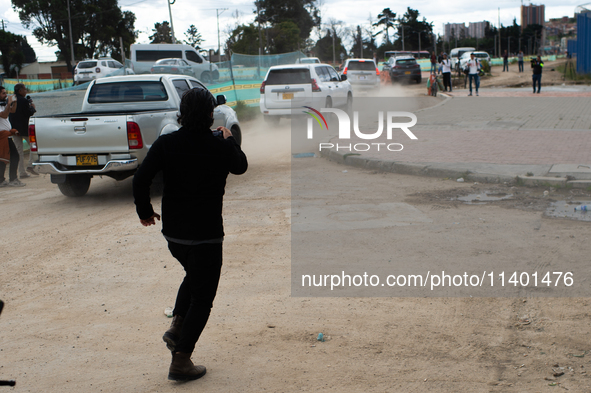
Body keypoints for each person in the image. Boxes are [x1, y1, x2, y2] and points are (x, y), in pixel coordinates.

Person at [133, 87, 248, 382]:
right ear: (211, 115)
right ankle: (181, 360)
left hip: (174, 235)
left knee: (193, 275)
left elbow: (141, 178)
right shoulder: (219, 145)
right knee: (203, 297)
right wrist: (230, 140)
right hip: (207, 235)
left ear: (182, 115)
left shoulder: (166, 143)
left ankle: (176, 326)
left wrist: (145, 211)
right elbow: (241, 167)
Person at [9, 83, 37, 178]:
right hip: (24, 129)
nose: (26, 91)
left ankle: (22, 173)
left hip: (14, 129)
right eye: (24, 89)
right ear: (20, 91)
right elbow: (29, 113)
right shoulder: (24, 101)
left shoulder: (12, 100)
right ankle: (30, 165)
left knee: (19, 151)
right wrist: (32, 107)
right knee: (35, 147)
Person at [0, 86, 24, 187]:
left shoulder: (2, 105)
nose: (6, 95)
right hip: (2, 136)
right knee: (14, 156)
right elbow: (4, 115)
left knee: (3, 158)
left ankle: (1, 180)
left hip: (7, 135)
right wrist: (9, 103)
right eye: (3, 93)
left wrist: (14, 102)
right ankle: (13, 179)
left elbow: (12, 111)